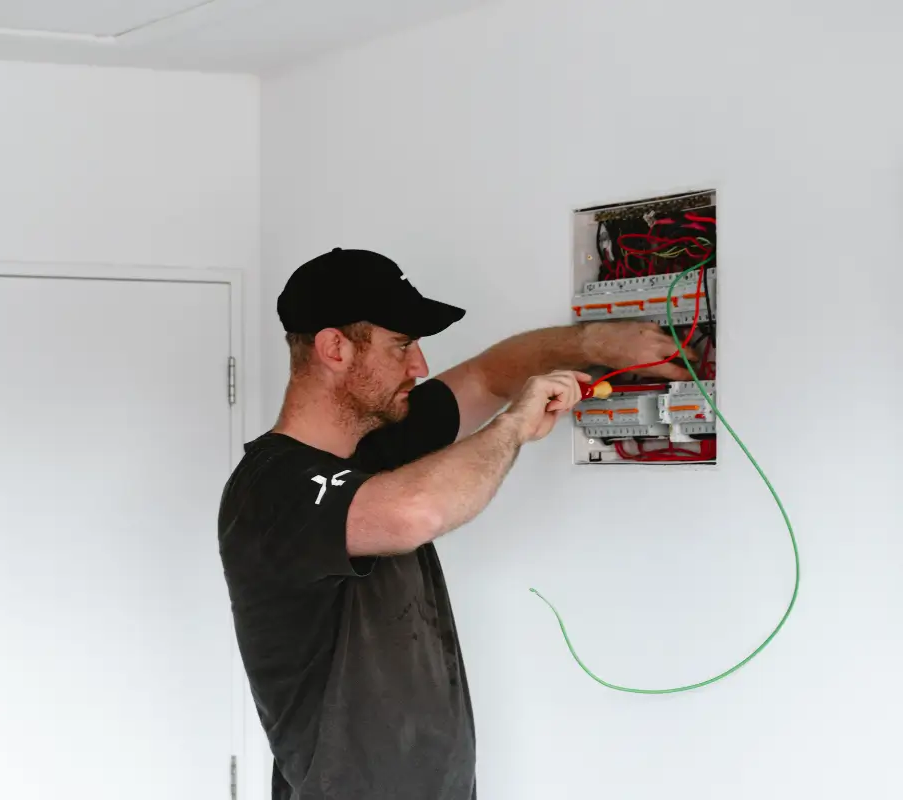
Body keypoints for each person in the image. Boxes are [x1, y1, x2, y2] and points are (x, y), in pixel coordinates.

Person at [216, 248, 694, 799]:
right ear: (335, 348)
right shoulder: (270, 489)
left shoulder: (378, 444)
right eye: (402, 345)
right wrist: (514, 426)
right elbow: (413, 512)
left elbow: (490, 376)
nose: (419, 366)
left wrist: (591, 344)